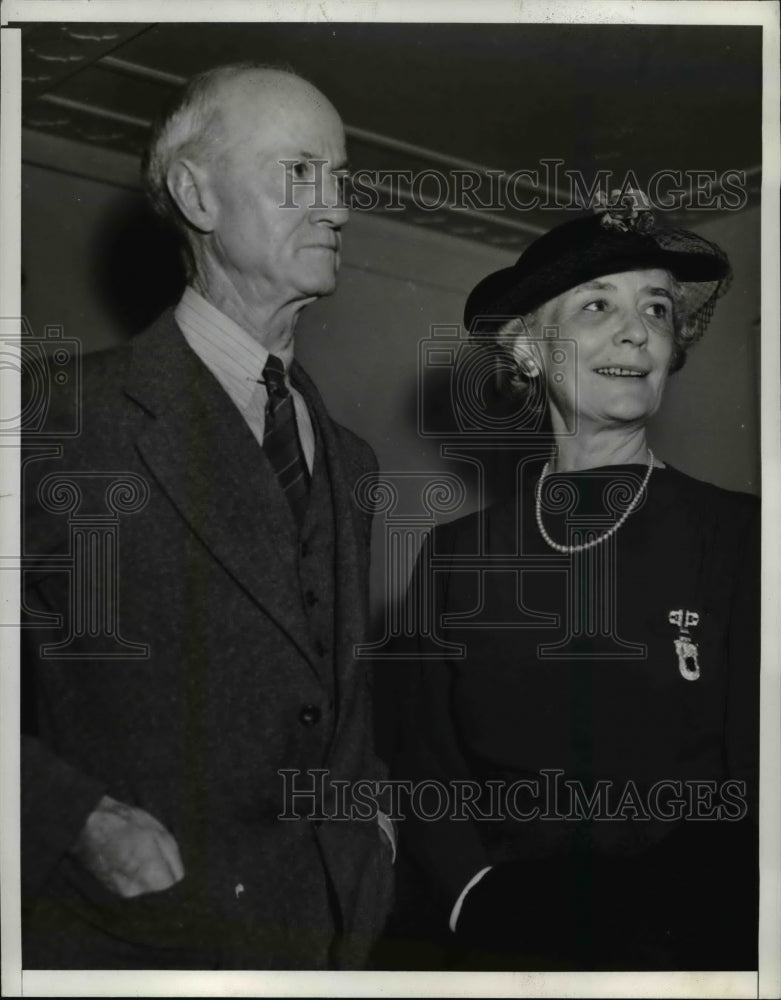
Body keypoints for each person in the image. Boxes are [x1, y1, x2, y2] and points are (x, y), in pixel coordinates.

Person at [21, 63, 393, 970]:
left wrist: (373, 825)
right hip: (144, 937)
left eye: (341, 181)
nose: (337, 208)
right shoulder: (56, 418)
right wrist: (71, 816)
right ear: (196, 193)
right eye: (300, 174)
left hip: (329, 938)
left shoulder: (350, 460)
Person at [393, 196, 759, 970]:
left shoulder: (740, 538)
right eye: (598, 304)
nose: (637, 329)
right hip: (502, 942)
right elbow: (425, 764)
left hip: (688, 944)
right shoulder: (457, 557)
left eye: (656, 309)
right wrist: (473, 899)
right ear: (526, 348)